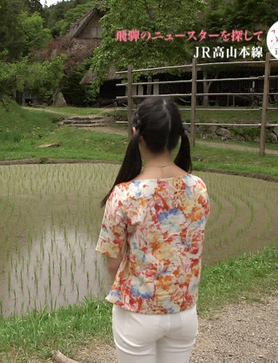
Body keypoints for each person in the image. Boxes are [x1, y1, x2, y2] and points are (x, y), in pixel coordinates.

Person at [96, 97, 209, 363]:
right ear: (178, 138)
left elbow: (113, 263)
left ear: (137, 134)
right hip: (183, 312)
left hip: (138, 313)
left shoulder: (124, 194)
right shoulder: (199, 188)